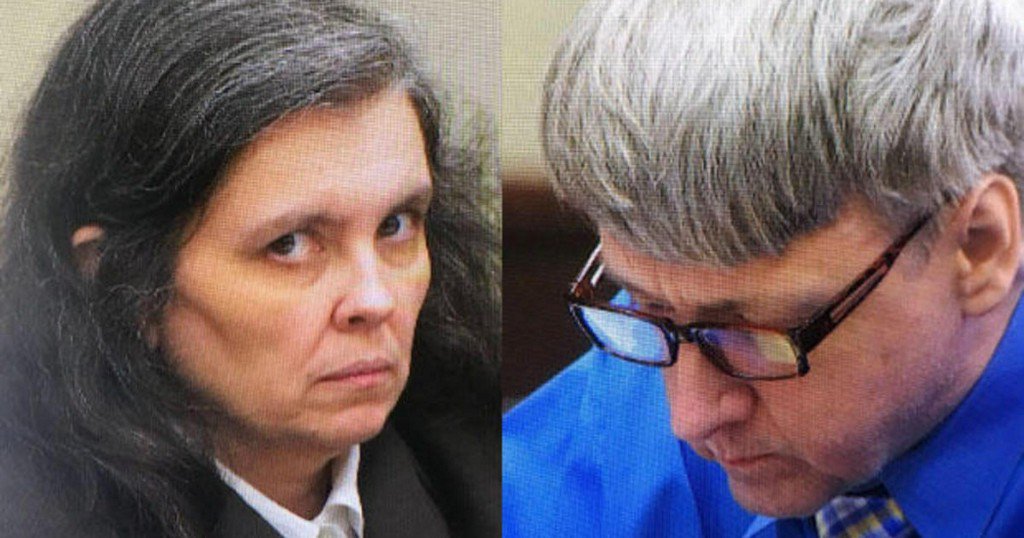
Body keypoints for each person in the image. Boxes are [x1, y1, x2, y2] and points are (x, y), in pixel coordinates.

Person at [503, 0, 1024, 536]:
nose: (689, 419)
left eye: (754, 336)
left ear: (979, 245)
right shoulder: (654, 365)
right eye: (646, 303)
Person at [0, 1, 500, 537]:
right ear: (121, 283)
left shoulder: (490, 474)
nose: (376, 300)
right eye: (289, 244)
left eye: (394, 226)